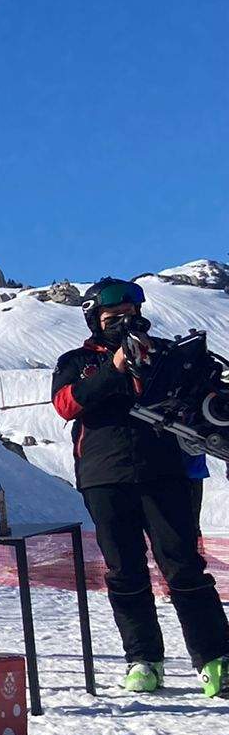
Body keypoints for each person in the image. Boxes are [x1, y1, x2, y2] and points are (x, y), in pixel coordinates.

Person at [51, 278, 229, 696]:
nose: (123, 323)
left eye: (130, 316)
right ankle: (143, 660)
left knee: (183, 565)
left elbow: (206, 396)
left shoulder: (166, 354)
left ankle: (216, 656)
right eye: (112, 318)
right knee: (125, 572)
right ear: (94, 319)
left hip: (165, 471)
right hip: (103, 475)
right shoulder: (77, 360)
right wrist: (113, 369)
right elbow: (65, 404)